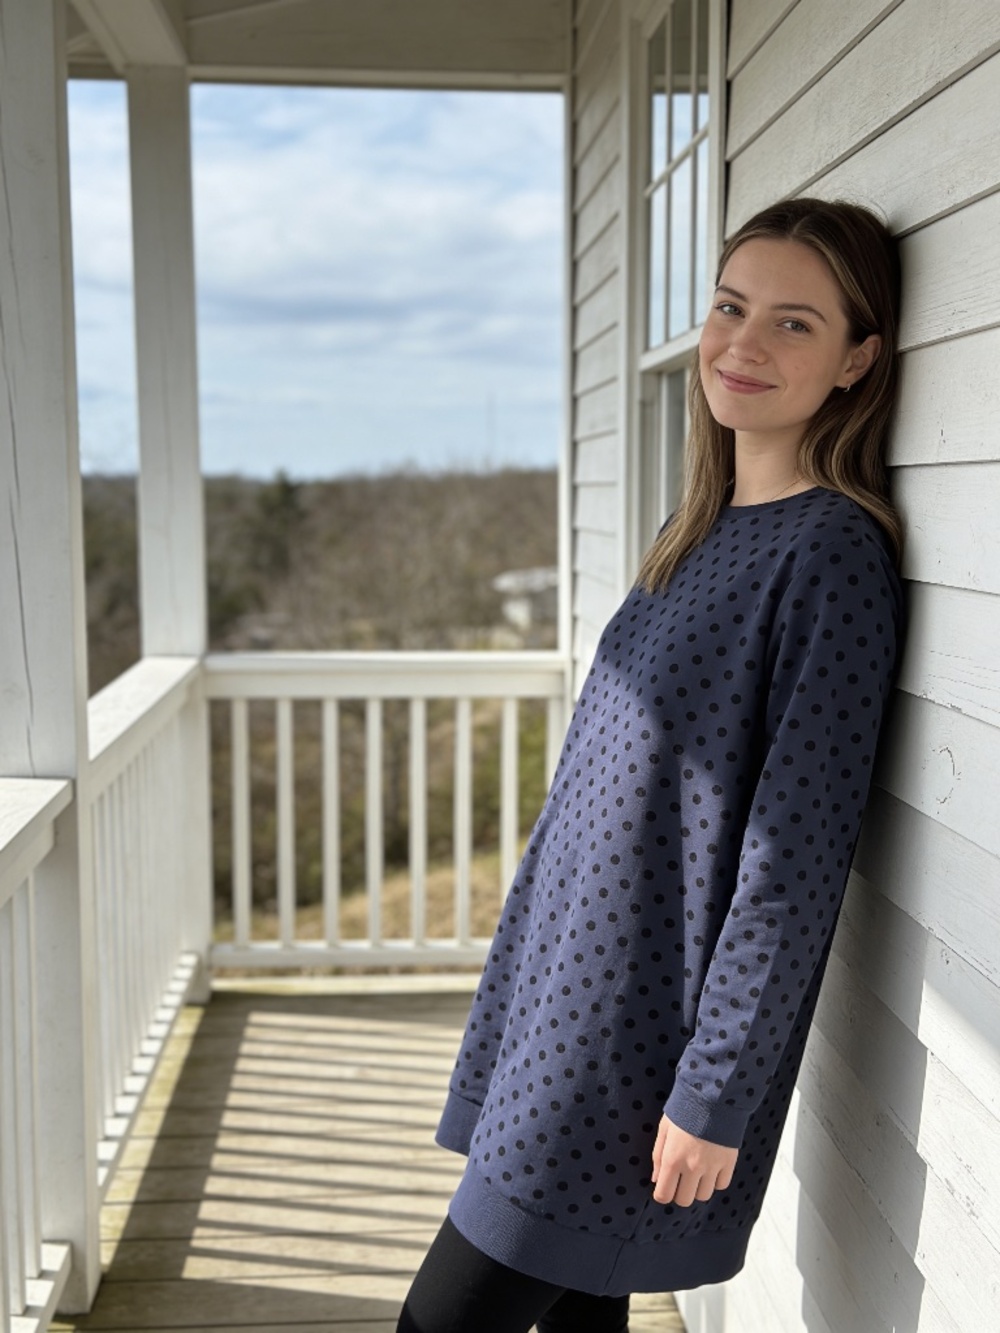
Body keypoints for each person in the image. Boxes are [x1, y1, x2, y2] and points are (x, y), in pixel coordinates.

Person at [397, 196, 906, 1333]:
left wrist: (714, 1091)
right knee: (582, 1318)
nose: (742, 345)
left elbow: (795, 858)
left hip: (632, 1046)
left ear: (857, 360)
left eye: (792, 324)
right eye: (731, 309)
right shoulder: (701, 531)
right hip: (560, 1002)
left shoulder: (830, 556)